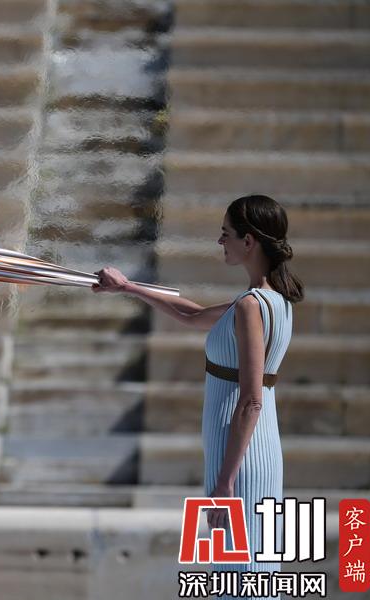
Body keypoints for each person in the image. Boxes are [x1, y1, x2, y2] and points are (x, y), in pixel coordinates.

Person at [92, 195, 303, 596]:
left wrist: (225, 481)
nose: (220, 241)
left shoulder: (251, 306)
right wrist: (127, 287)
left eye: (226, 234)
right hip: (251, 452)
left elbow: (251, 400)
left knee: (241, 575)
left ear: (249, 241)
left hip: (240, 459)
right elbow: (190, 314)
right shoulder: (272, 302)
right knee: (246, 571)